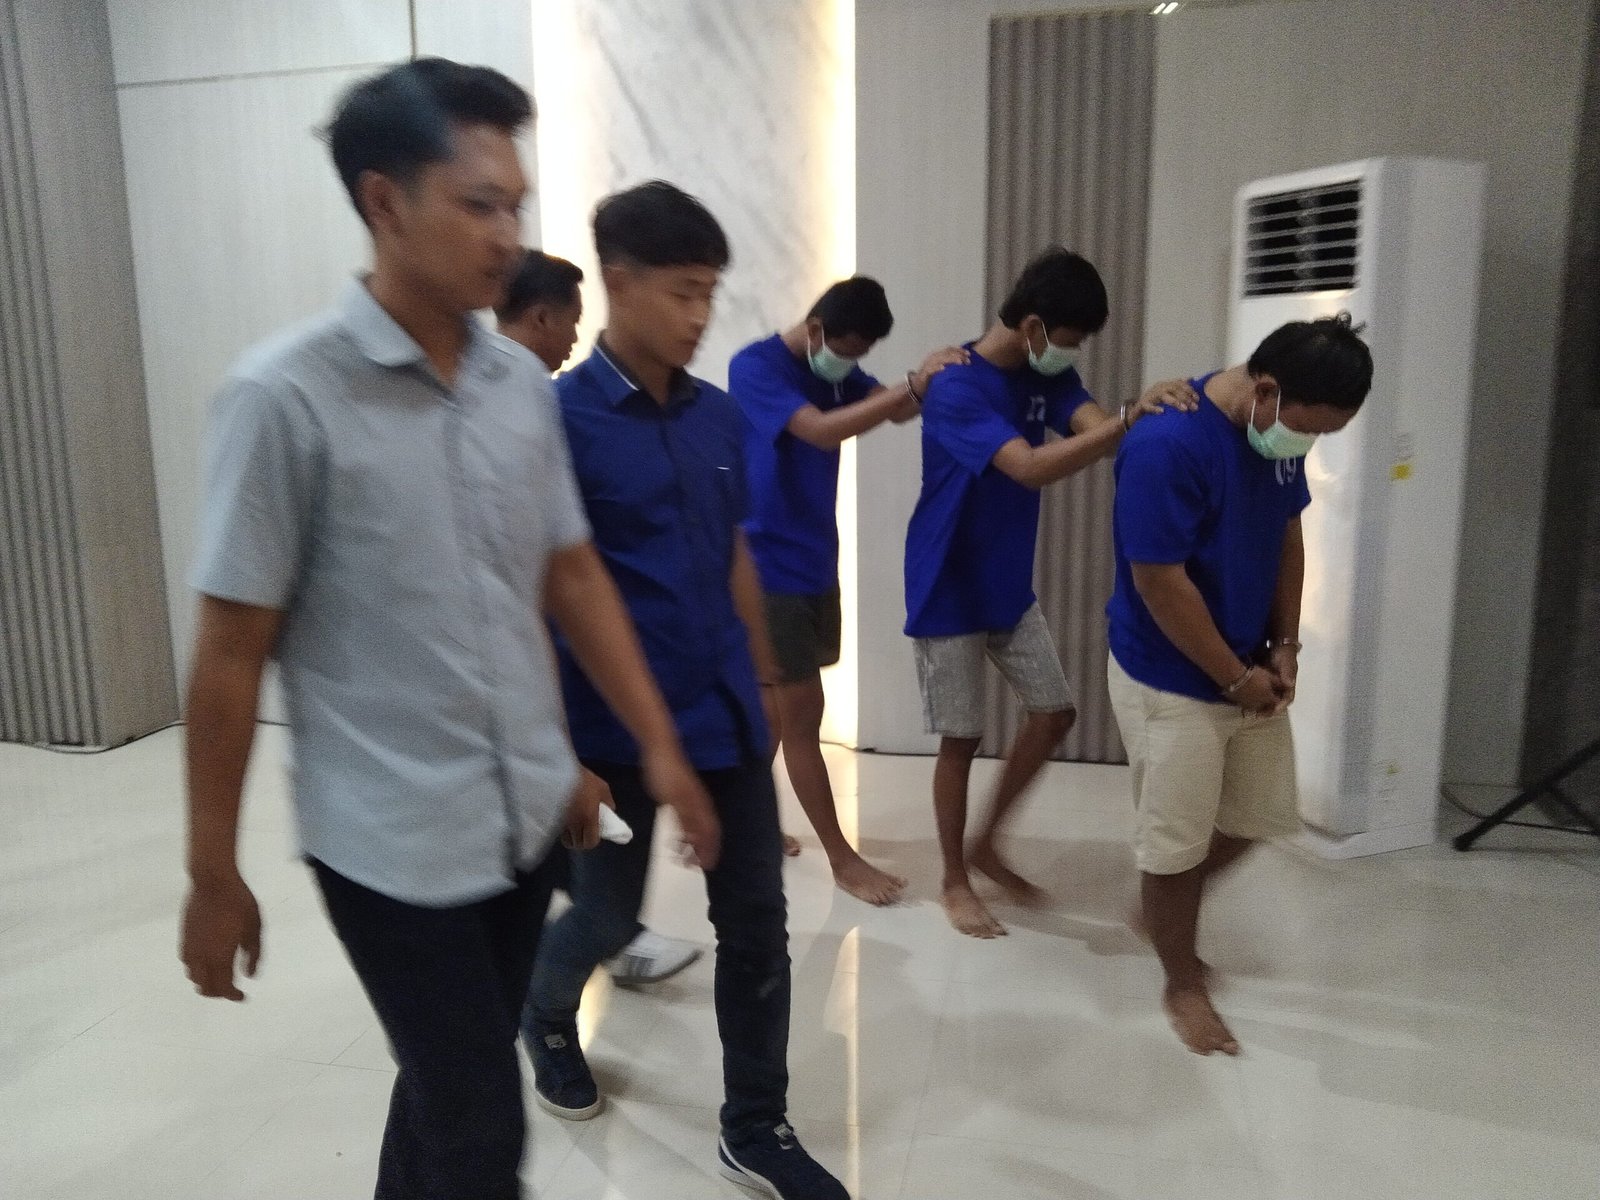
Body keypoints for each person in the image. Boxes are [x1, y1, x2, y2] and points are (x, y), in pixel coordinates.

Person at [177, 59, 719, 1200]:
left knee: (443, 1087)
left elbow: (563, 578)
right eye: (479, 205)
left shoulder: (517, 387)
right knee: (481, 1127)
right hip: (390, 845)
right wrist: (211, 871)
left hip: (520, 822)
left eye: (515, 204)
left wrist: (624, 748)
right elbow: (229, 654)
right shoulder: (284, 399)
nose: (508, 235)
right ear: (384, 201)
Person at [523, 180, 848, 1200]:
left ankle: (754, 1125)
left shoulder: (718, 418)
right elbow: (539, 590)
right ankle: (545, 1011)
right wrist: (559, 753)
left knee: (756, 926)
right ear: (618, 283)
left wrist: (767, 674)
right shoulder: (557, 422)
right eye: (682, 292)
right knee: (608, 918)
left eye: (710, 292)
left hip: (726, 718)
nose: (702, 315)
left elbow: (736, 554)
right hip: (607, 732)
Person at [903, 246, 1197, 939]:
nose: (1074, 352)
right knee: (961, 738)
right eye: (1071, 338)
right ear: (1034, 326)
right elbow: (1029, 466)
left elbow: (1104, 432)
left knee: (1055, 712)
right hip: (947, 583)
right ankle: (954, 878)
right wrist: (1128, 418)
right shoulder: (956, 387)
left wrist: (1156, 415)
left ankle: (986, 843)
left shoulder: (1048, 373)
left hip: (1006, 580)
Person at [1106, 314, 1372, 1056]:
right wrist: (1233, 678)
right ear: (1266, 390)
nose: (1306, 446)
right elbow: (1159, 582)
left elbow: (1288, 533)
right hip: (1171, 678)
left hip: (1249, 665)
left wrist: (1285, 646)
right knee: (1175, 847)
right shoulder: (1167, 445)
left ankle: (1158, 914)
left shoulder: (1274, 435)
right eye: (1307, 430)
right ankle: (1180, 980)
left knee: (1255, 818)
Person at [498, 248, 703, 988]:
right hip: (553, 678)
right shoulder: (533, 401)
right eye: (571, 322)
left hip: (556, 673)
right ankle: (557, 994)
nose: (574, 340)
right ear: (542, 317)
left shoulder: (517, 392)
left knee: (576, 854)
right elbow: (554, 568)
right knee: (585, 867)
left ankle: (608, 932)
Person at [729, 278, 966, 905]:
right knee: (802, 715)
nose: (851, 364)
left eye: (860, 355)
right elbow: (819, 431)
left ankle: (738, 823)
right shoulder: (755, 367)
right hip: (765, 566)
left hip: (813, 562)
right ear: (815, 330)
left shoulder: (835, 371)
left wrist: (932, 378)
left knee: (773, 712)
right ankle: (841, 859)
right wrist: (909, 386)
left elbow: (896, 407)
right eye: (846, 350)